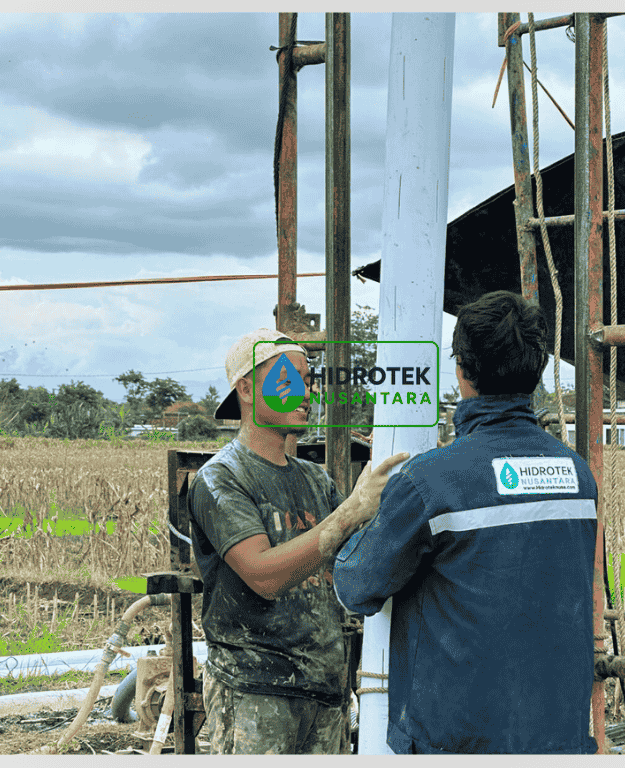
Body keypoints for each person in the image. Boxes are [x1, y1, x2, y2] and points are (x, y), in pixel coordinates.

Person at [332, 291, 599, 755]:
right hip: (560, 740)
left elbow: (356, 587)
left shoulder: (429, 482)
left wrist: (358, 514)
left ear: (461, 370)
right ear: (537, 371)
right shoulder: (577, 475)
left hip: (455, 743)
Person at [187, 328, 409, 755]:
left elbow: (357, 562)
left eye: (309, 381)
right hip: (255, 690)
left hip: (324, 690)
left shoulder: (314, 480)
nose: (307, 392)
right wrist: (349, 513)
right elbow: (263, 575)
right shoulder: (222, 478)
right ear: (247, 389)